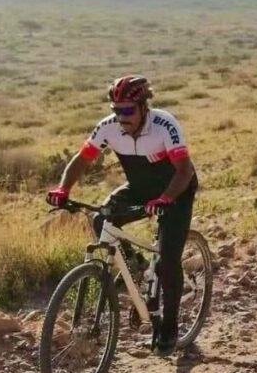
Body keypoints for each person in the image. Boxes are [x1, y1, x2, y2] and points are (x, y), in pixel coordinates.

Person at [46, 76, 199, 354]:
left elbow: (185, 171)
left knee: (167, 262)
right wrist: (63, 189)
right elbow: (82, 159)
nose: (121, 117)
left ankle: (169, 325)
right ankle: (137, 265)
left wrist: (165, 198)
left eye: (127, 110)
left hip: (176, 190)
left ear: (143, 106)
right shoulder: (108, 127)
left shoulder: (164, 125)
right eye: (116, 110)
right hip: (140, 189)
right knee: (101, 218)